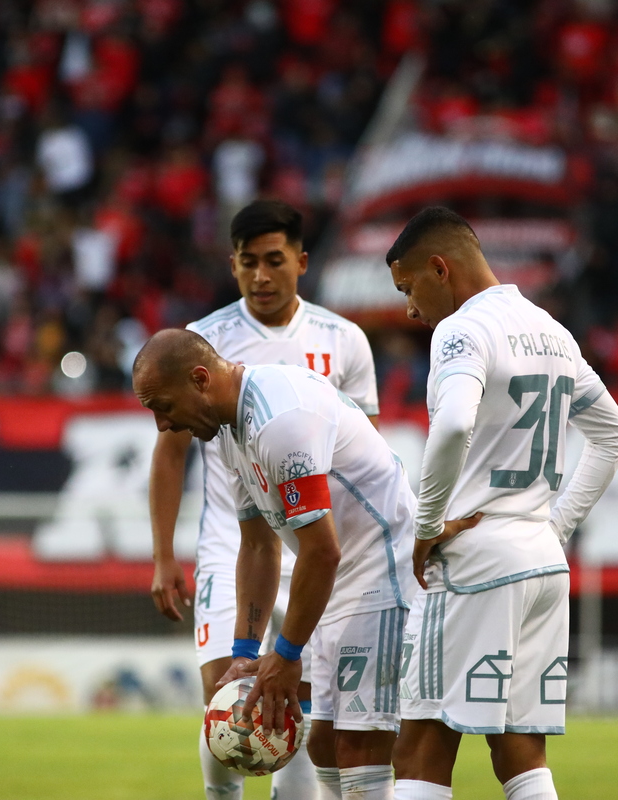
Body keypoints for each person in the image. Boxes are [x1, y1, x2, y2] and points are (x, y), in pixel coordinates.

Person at [385, 207, 618, 800]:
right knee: (521, 753)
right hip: (542, 564)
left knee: (420, 750)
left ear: (440, 268)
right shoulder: (552, 330)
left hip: (475, 564)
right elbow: (615, 435)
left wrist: (427, 523)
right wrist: (556, 527)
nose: (410, 309)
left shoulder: (462, 331)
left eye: (408, 287)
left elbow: (453, 425)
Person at [135, 329, 431, 800]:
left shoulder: (279, 421)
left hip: (383, 572)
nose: (162, 425)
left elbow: (322, 551)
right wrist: (245, 653)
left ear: (200, 379)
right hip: (340, 582)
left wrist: (287, 654)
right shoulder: (230, 431)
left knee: (360, 748)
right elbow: (258, 545)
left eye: (163, 406)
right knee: (324, 746)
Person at [149, 200, 379, 800]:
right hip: (234, 540)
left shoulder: (345, 341)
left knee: (295, 700)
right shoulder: (201, 341)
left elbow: (361, 454)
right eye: (247, 262)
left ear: (301, 261)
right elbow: (169, 453)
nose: (260, 275)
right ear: (232, 265)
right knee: (227, 692)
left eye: (274, 260)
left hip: (315, 539)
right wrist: (163, 554)